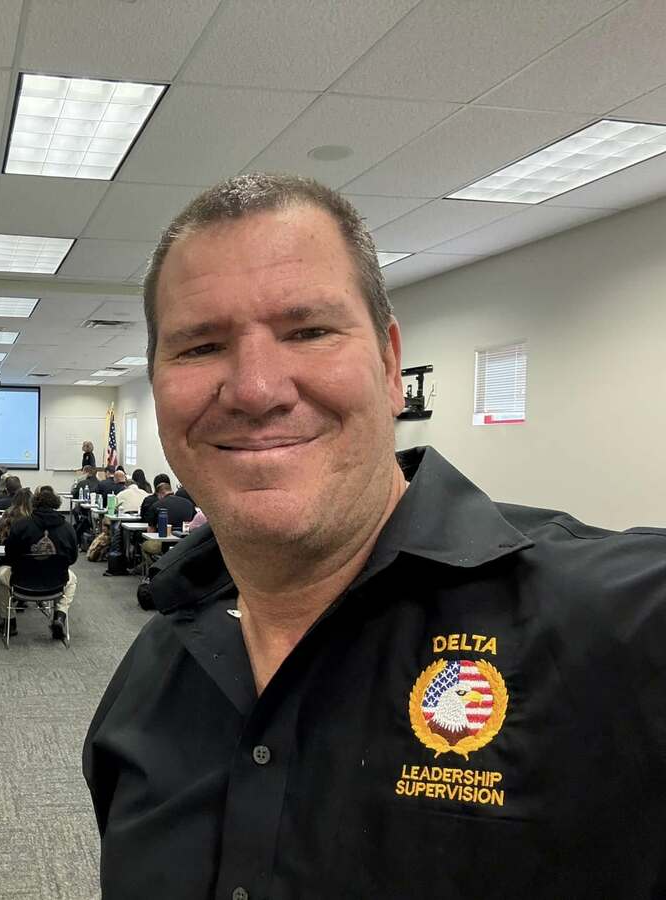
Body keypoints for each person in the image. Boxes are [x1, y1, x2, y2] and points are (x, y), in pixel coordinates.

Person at [82, 173, 666, 897]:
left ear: (391, 366)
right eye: (200, 346)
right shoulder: (152, 675)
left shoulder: (619, 625)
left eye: (308, 332)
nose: (256, 389)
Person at [0, 485, 78, 640]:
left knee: (0, 573)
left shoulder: (20, 525)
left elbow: (9, 555)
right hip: (56, 583)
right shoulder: (67, 528)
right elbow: (72, 558)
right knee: (72, 579)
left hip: (21, 582)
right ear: (56, 504)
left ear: (34, 503)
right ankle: (60, 616)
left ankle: (9, 621)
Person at [138, 478, 198, 566]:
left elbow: (151, 530)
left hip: (164, 544)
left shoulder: (156, 505)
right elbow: (195, 522)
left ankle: (155, 568)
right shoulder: (188, 503)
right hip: (186, 543)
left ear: (160, 494)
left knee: (145, 546)